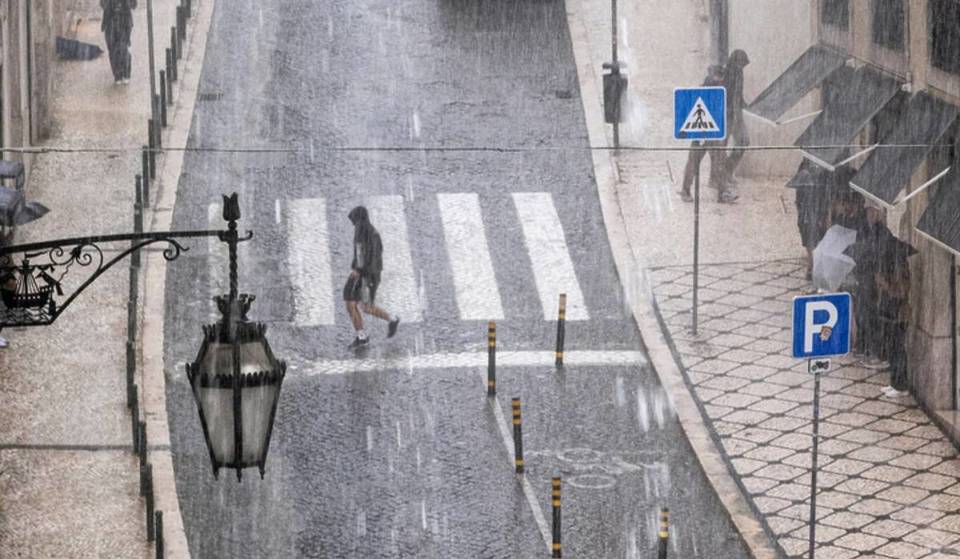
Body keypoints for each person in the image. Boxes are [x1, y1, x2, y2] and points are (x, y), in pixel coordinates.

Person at [344, 206, 400, 349]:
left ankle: (362, 336)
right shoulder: (371, 231)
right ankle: (391, 319)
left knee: (353, 303)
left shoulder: (362, 232)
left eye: (354, 221)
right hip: (371, 274)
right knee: (364, 306)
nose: (353, 225)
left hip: (365, 275)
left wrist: (358, 269)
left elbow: (361, 253)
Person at [680, 65, 727, 203]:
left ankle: (722, 192)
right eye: (718, 78)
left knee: (717, 162)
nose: (720, 81)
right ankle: (686, 190)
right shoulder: (705, 94)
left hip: (712, 133)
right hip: (701, 134)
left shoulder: (718, 92)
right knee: (695, 162)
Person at [876, 245, 911, 398]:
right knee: (892, 348)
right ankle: (894, 382)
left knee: (898, 350)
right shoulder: (893, 269)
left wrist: (885, 284)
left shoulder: (901, 271)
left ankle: (901, 384)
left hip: (898, 315)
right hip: (891, 314)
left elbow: (900, 293)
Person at [716, 49, 751, 204]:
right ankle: (721, 186)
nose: (742, 68)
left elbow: (738, 95)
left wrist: (746, 105)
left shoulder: (739, 74)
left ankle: (728, 172)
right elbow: (724, 96)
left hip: (737, 116)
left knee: (744, 142)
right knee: (719, 152)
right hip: (726, 118)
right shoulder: (727, 76)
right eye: (740, 65)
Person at [792, 160, 833, 280]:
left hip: (818, 208)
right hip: (806, 208)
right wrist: (799, 207)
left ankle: (815, 267)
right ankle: (811, 264)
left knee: (818, 236)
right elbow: (798, 189)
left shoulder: (825, 169)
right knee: (807, 237)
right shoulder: (804, 166)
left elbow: (827, 194)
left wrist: (826, 214)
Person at [101, 0, 137, 85]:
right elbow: (102, 4)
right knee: (112, 50)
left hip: (123, 21)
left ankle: (125, 73)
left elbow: (134, 5)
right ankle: (117, 75)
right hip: (110, 21)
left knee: (123, 49)